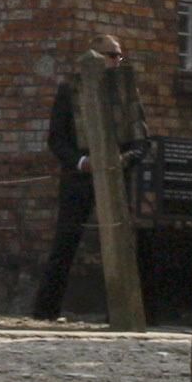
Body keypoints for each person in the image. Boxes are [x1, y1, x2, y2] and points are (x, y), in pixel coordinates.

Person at [29, 34, 139, 320]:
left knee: (121, 245)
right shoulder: (70, 92)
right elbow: (57, 139)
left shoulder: (126, 94)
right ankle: (45, 310)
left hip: (115, 178)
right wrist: (81, 162)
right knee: (66, 242)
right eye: (112, 55)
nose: (117, 61)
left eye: (119, 56)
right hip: (79, 178)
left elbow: (141, 142)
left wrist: (123, 160)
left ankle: (124, 314)